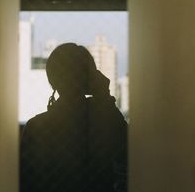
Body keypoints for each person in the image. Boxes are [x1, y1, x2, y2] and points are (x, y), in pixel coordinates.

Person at [20, 43, 128, 192]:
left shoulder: (36, 127)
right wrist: (104, 96)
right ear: (91, 76)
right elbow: (129, 156)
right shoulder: (105, 121)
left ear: (52, 78)